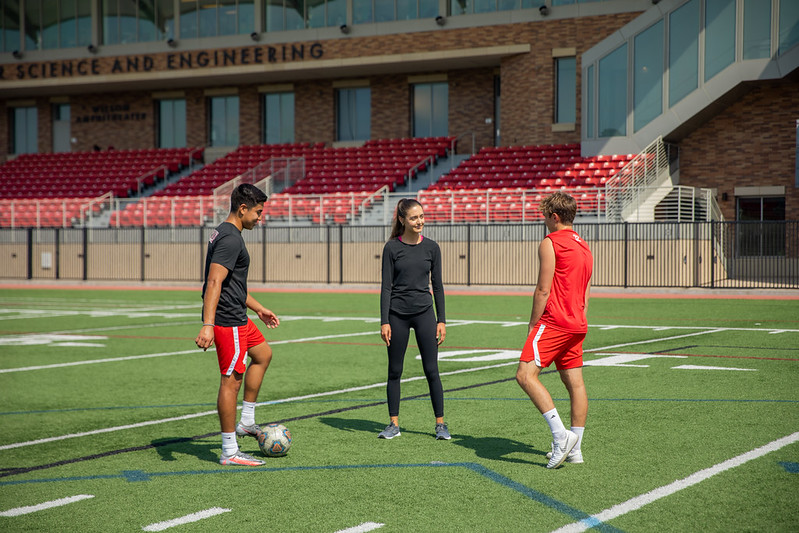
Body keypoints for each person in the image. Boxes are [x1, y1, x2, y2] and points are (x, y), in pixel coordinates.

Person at [195, 183, 280, 466]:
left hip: (239, 316)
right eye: (258, 212)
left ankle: (246, 423)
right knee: (231, 382)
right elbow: (215, 282)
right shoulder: (231, 239)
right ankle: (229, 451)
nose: (260, 217)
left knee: (263, 354)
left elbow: (233, 284)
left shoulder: (227, 232)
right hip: (227, 320)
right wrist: (208, 324)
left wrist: (259, 309)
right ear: (242, 209)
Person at [515, 191, 593, 469]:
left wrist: (533, 323)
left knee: (525, 375)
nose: (545, 221)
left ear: (555, 216)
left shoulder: (551, 242)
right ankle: (576, 449)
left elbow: (543, 289)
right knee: (575, 384)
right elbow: (584, 291)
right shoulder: (584, 245)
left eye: (546, 216)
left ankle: (561, 437)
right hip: (577, 323)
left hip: (555, 321)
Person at [379, 198, 450, 440]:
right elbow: (386, 288)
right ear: (402, 220)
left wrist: (441, 320)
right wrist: (384, 321)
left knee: (432, 370)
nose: (419, 221)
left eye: (421, 216)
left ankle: (440, 424)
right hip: (396, 315)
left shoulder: (432, 247)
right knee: (395, 371)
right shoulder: (391, 248)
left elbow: (438, 287)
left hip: (424, 315)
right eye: (413, 217)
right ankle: (393, 424)